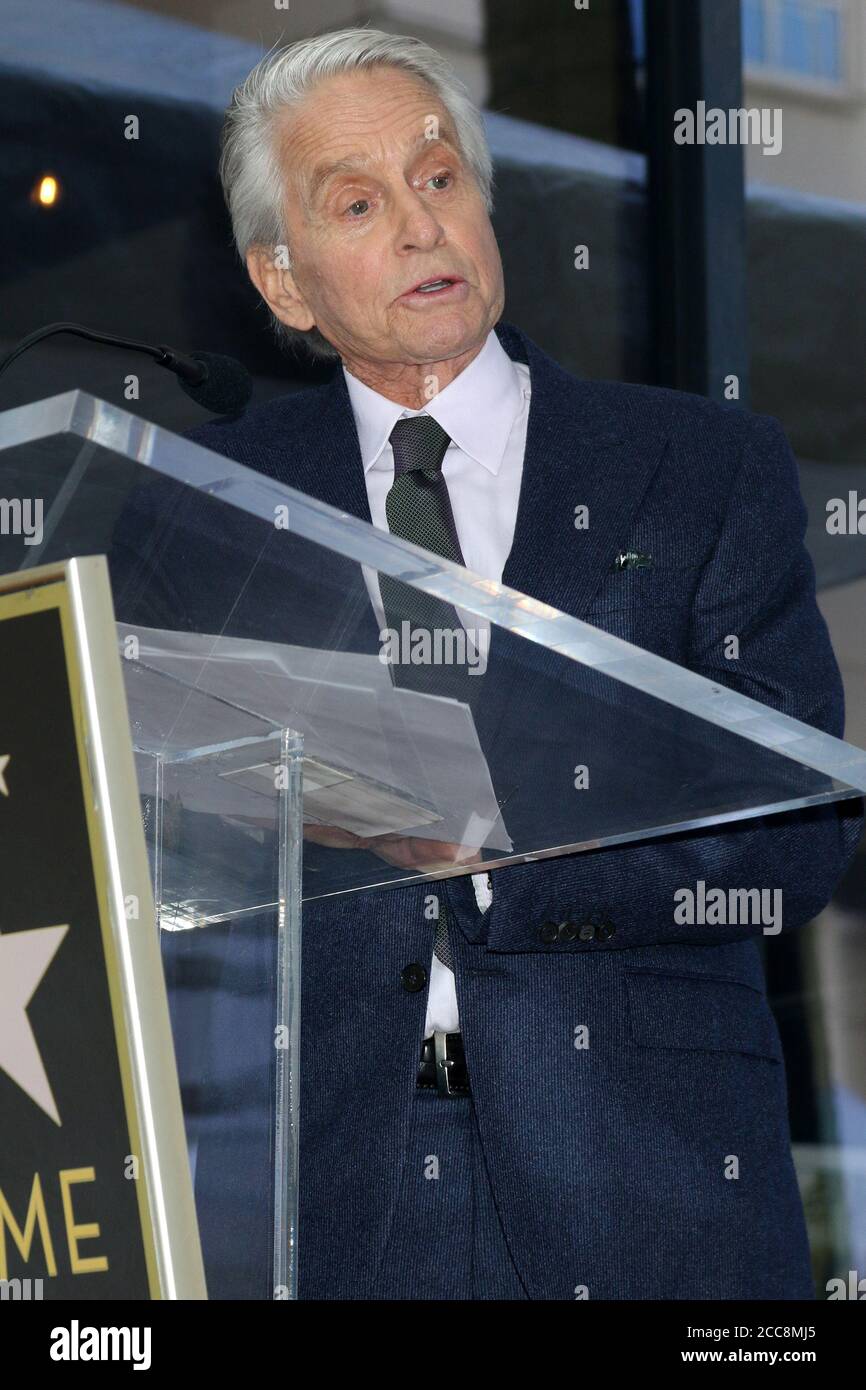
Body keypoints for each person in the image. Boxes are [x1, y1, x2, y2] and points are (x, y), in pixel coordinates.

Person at [175, 28, 861, 1299]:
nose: (422, 227)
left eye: (439, 179)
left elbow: (795, 832)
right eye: (360, 202)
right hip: (323, 1207)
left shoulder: (697, 467)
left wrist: (500, 850)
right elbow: (168, 834)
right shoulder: (209, 505)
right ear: (282, 283)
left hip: (649, 1189)